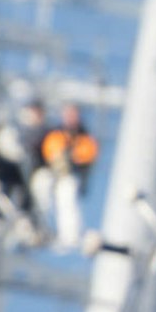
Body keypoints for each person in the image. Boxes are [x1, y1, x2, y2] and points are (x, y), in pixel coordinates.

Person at [37, 103, 99, 247]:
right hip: (54, 174)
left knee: (67, 192)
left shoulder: (85, 137)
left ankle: (70, 236)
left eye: (74, 115)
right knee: (42, 185)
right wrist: (58, 160)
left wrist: (71, 158)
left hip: (73, 176)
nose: (71, 118)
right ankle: (44, 227)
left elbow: (87, 155)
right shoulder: (56, 135)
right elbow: (49, 153)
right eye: (68, 115)